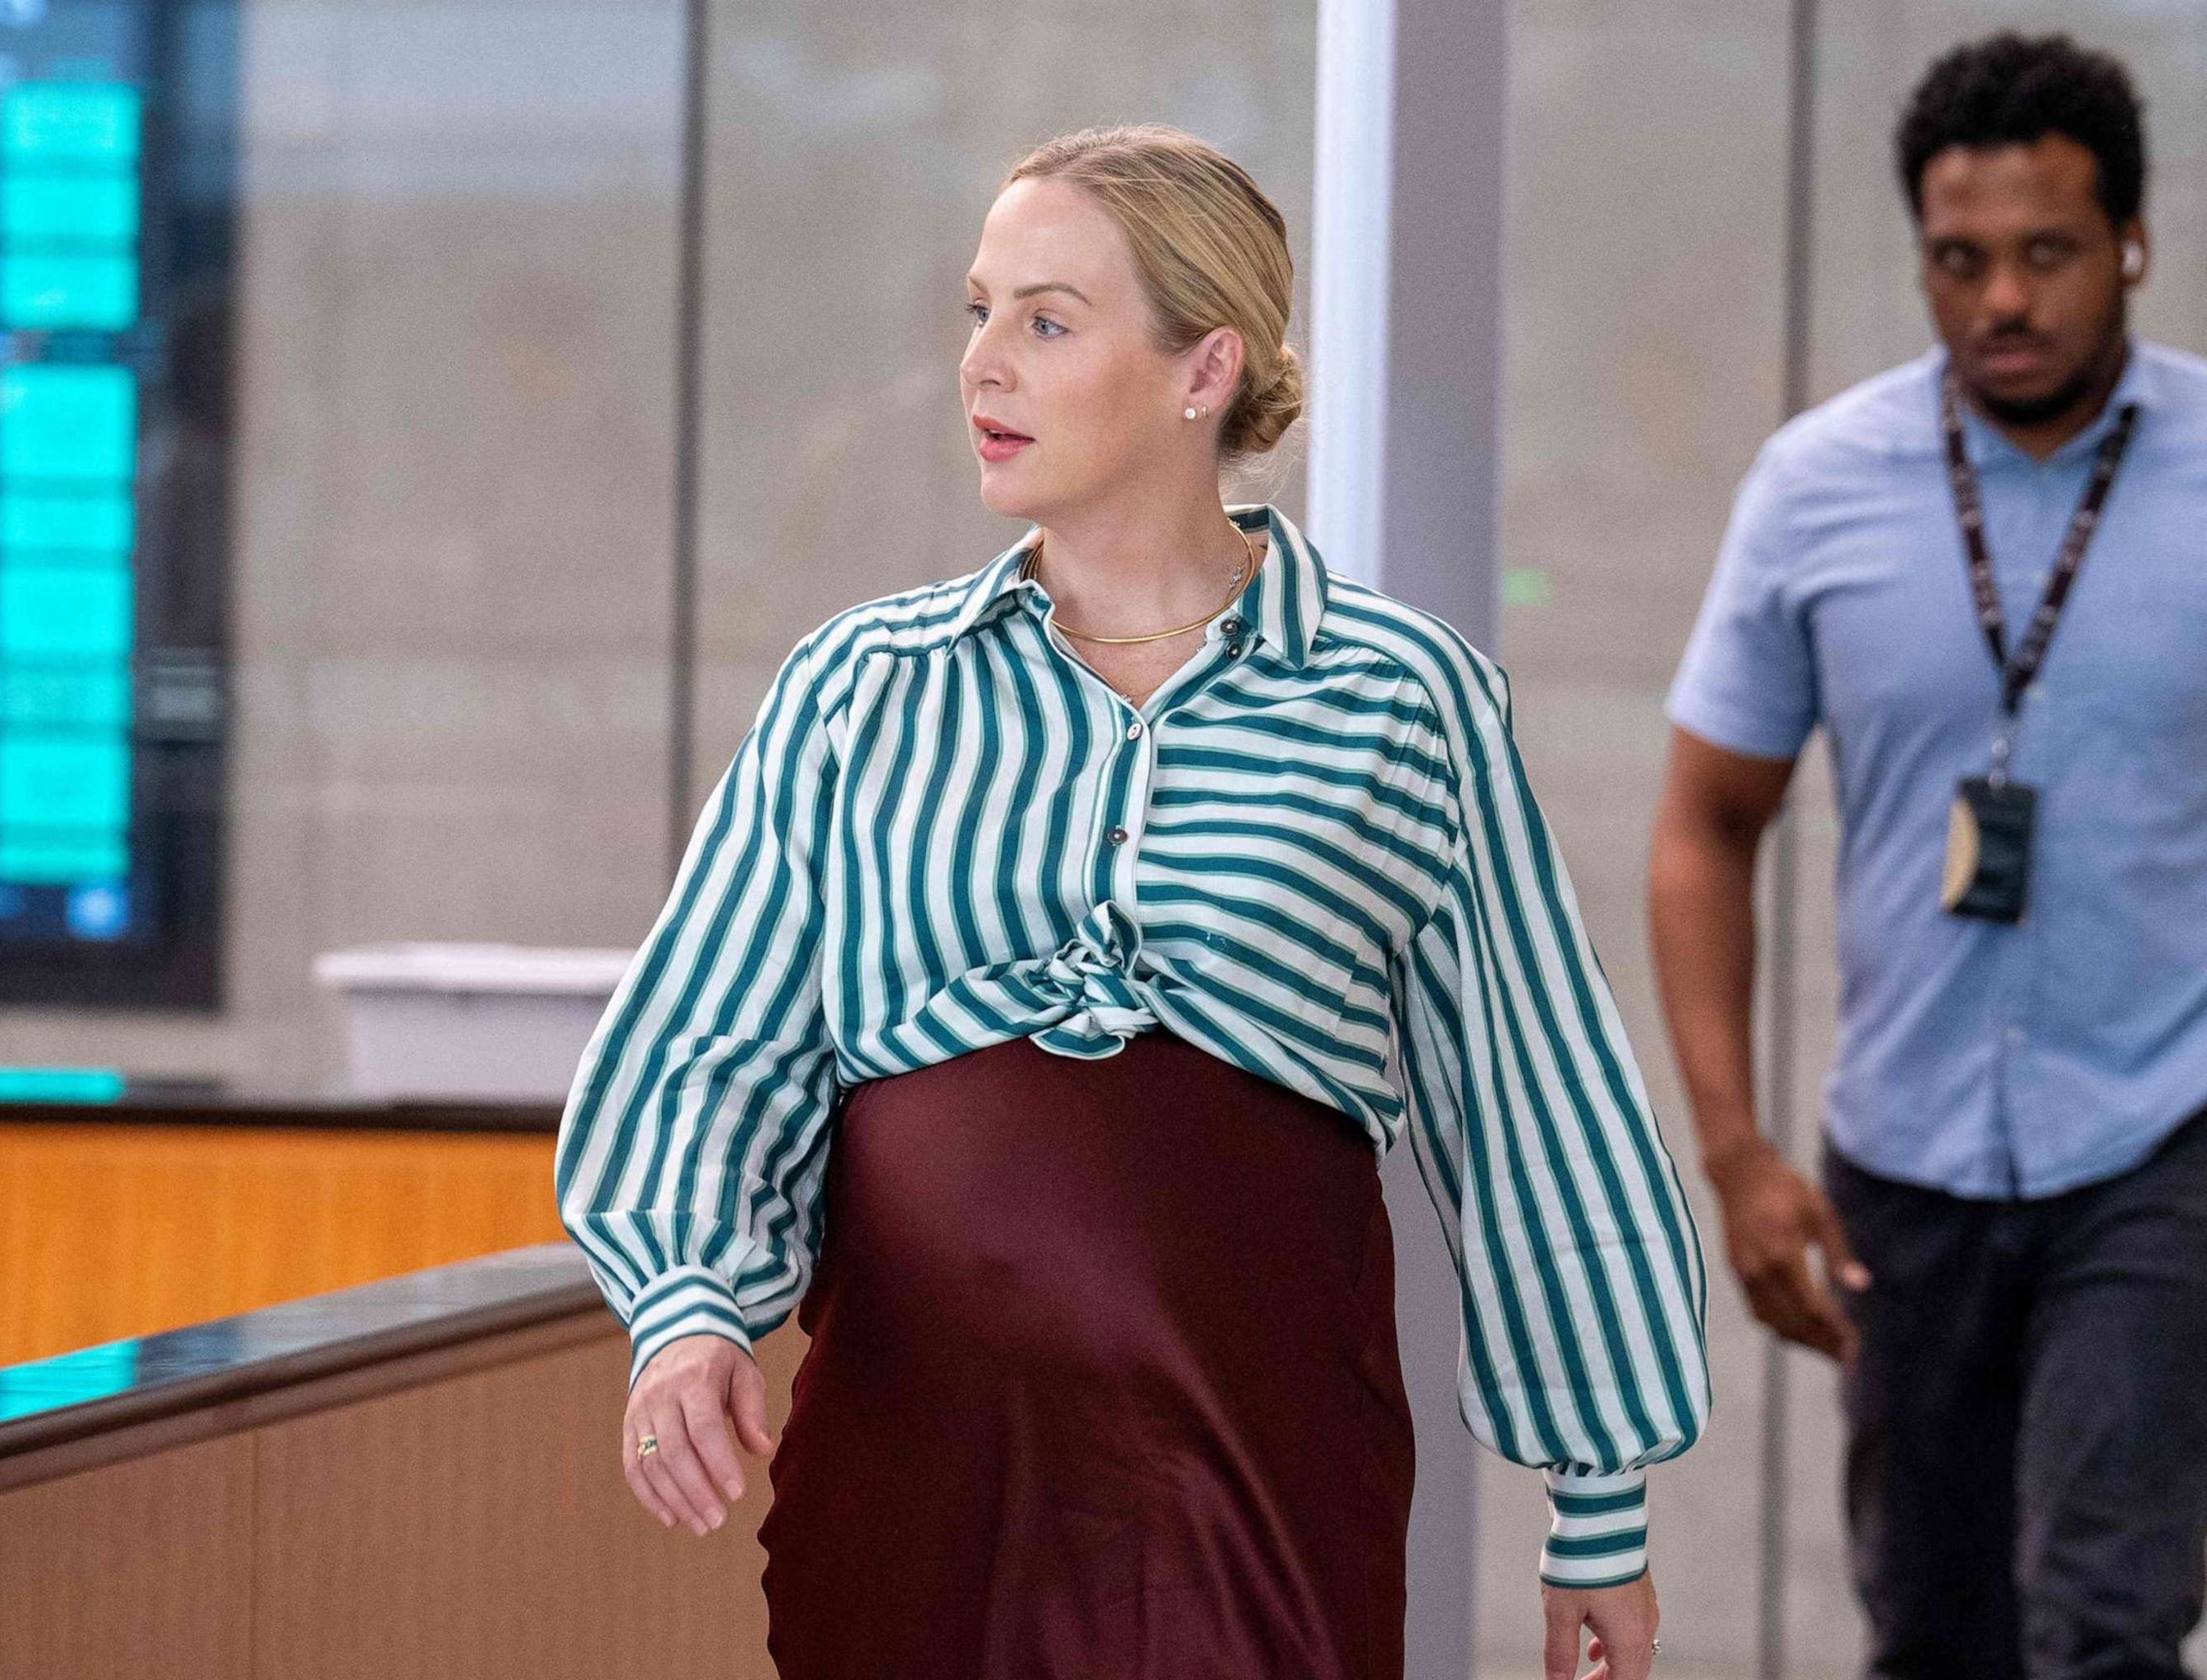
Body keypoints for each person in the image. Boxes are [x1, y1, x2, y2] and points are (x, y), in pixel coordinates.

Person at [563, 123, 1709, 1680]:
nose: (984, 366)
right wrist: (687, 1310)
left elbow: (1535, 1096)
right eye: (976, 312)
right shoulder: (859, 688)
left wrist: (1600, 1504)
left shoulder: (1401, 697)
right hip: (912, 1472)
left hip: (1261, 1463)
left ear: (1203, 368)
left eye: (1046, 320)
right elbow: (707, 1044)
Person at [1651, 33, 2207, 1680]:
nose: (2003, 302)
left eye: (2046, 254)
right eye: (1960, 262)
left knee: (2105, 1625)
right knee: (1933, 1633)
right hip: (1904, 1152)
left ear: (2132, 247)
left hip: (2163, 1132)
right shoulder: (1818, 487)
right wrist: (1739, 1150)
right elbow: (1704, 824)